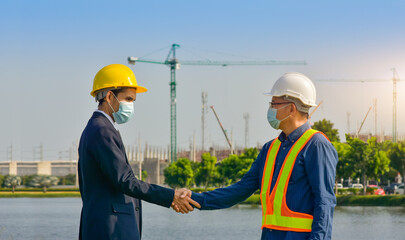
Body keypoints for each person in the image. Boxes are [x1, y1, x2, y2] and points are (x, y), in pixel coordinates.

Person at [185, 72, 338, 240]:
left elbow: (324, 202)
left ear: (291, 108)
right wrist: (194, 198)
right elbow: (240, 190)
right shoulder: (269, 149)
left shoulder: (316, 145)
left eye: (274, 104)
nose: (270, 109)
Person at [78, 64, 199, 240]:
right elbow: (125, 181)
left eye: (133, 100)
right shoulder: (101, 130)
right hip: (110, 229)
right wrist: (170, 196)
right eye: (128, 99)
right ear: (110, 96)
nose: (131, 105)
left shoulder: (101, 128)